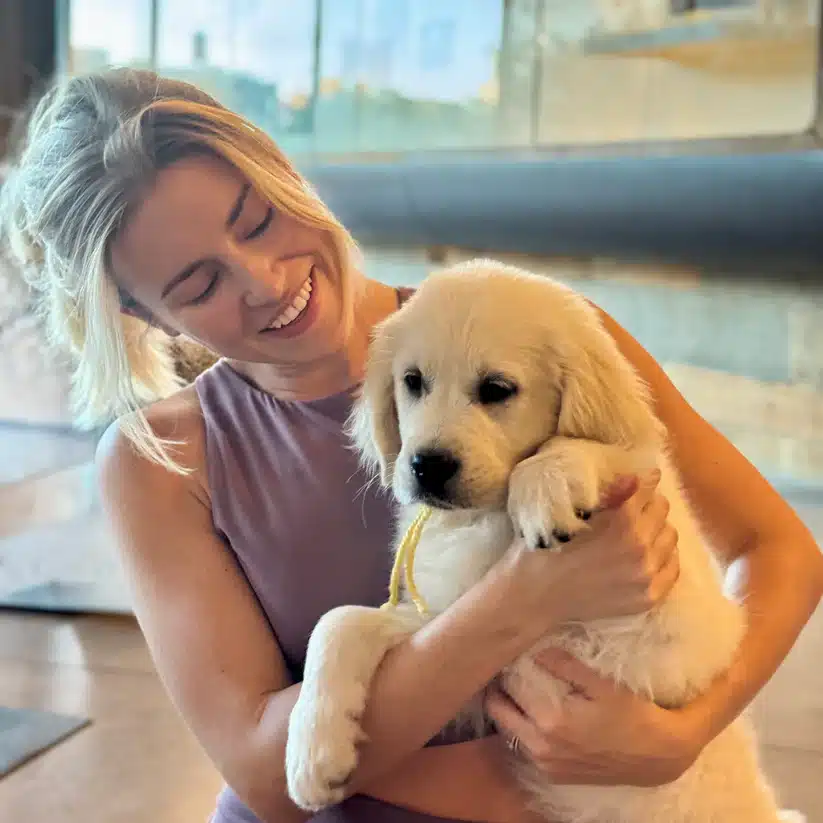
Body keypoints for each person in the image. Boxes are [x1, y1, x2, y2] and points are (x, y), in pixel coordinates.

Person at [0, 67, 820, 823]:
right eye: (200, 282)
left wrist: (679, 740)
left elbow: (777, 548)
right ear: (144, 314)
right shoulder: (159, 460)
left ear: (283, 172)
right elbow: (268, 774)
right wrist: (526, 600)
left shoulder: (537, 330)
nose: (264, 279)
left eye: (257, 219)